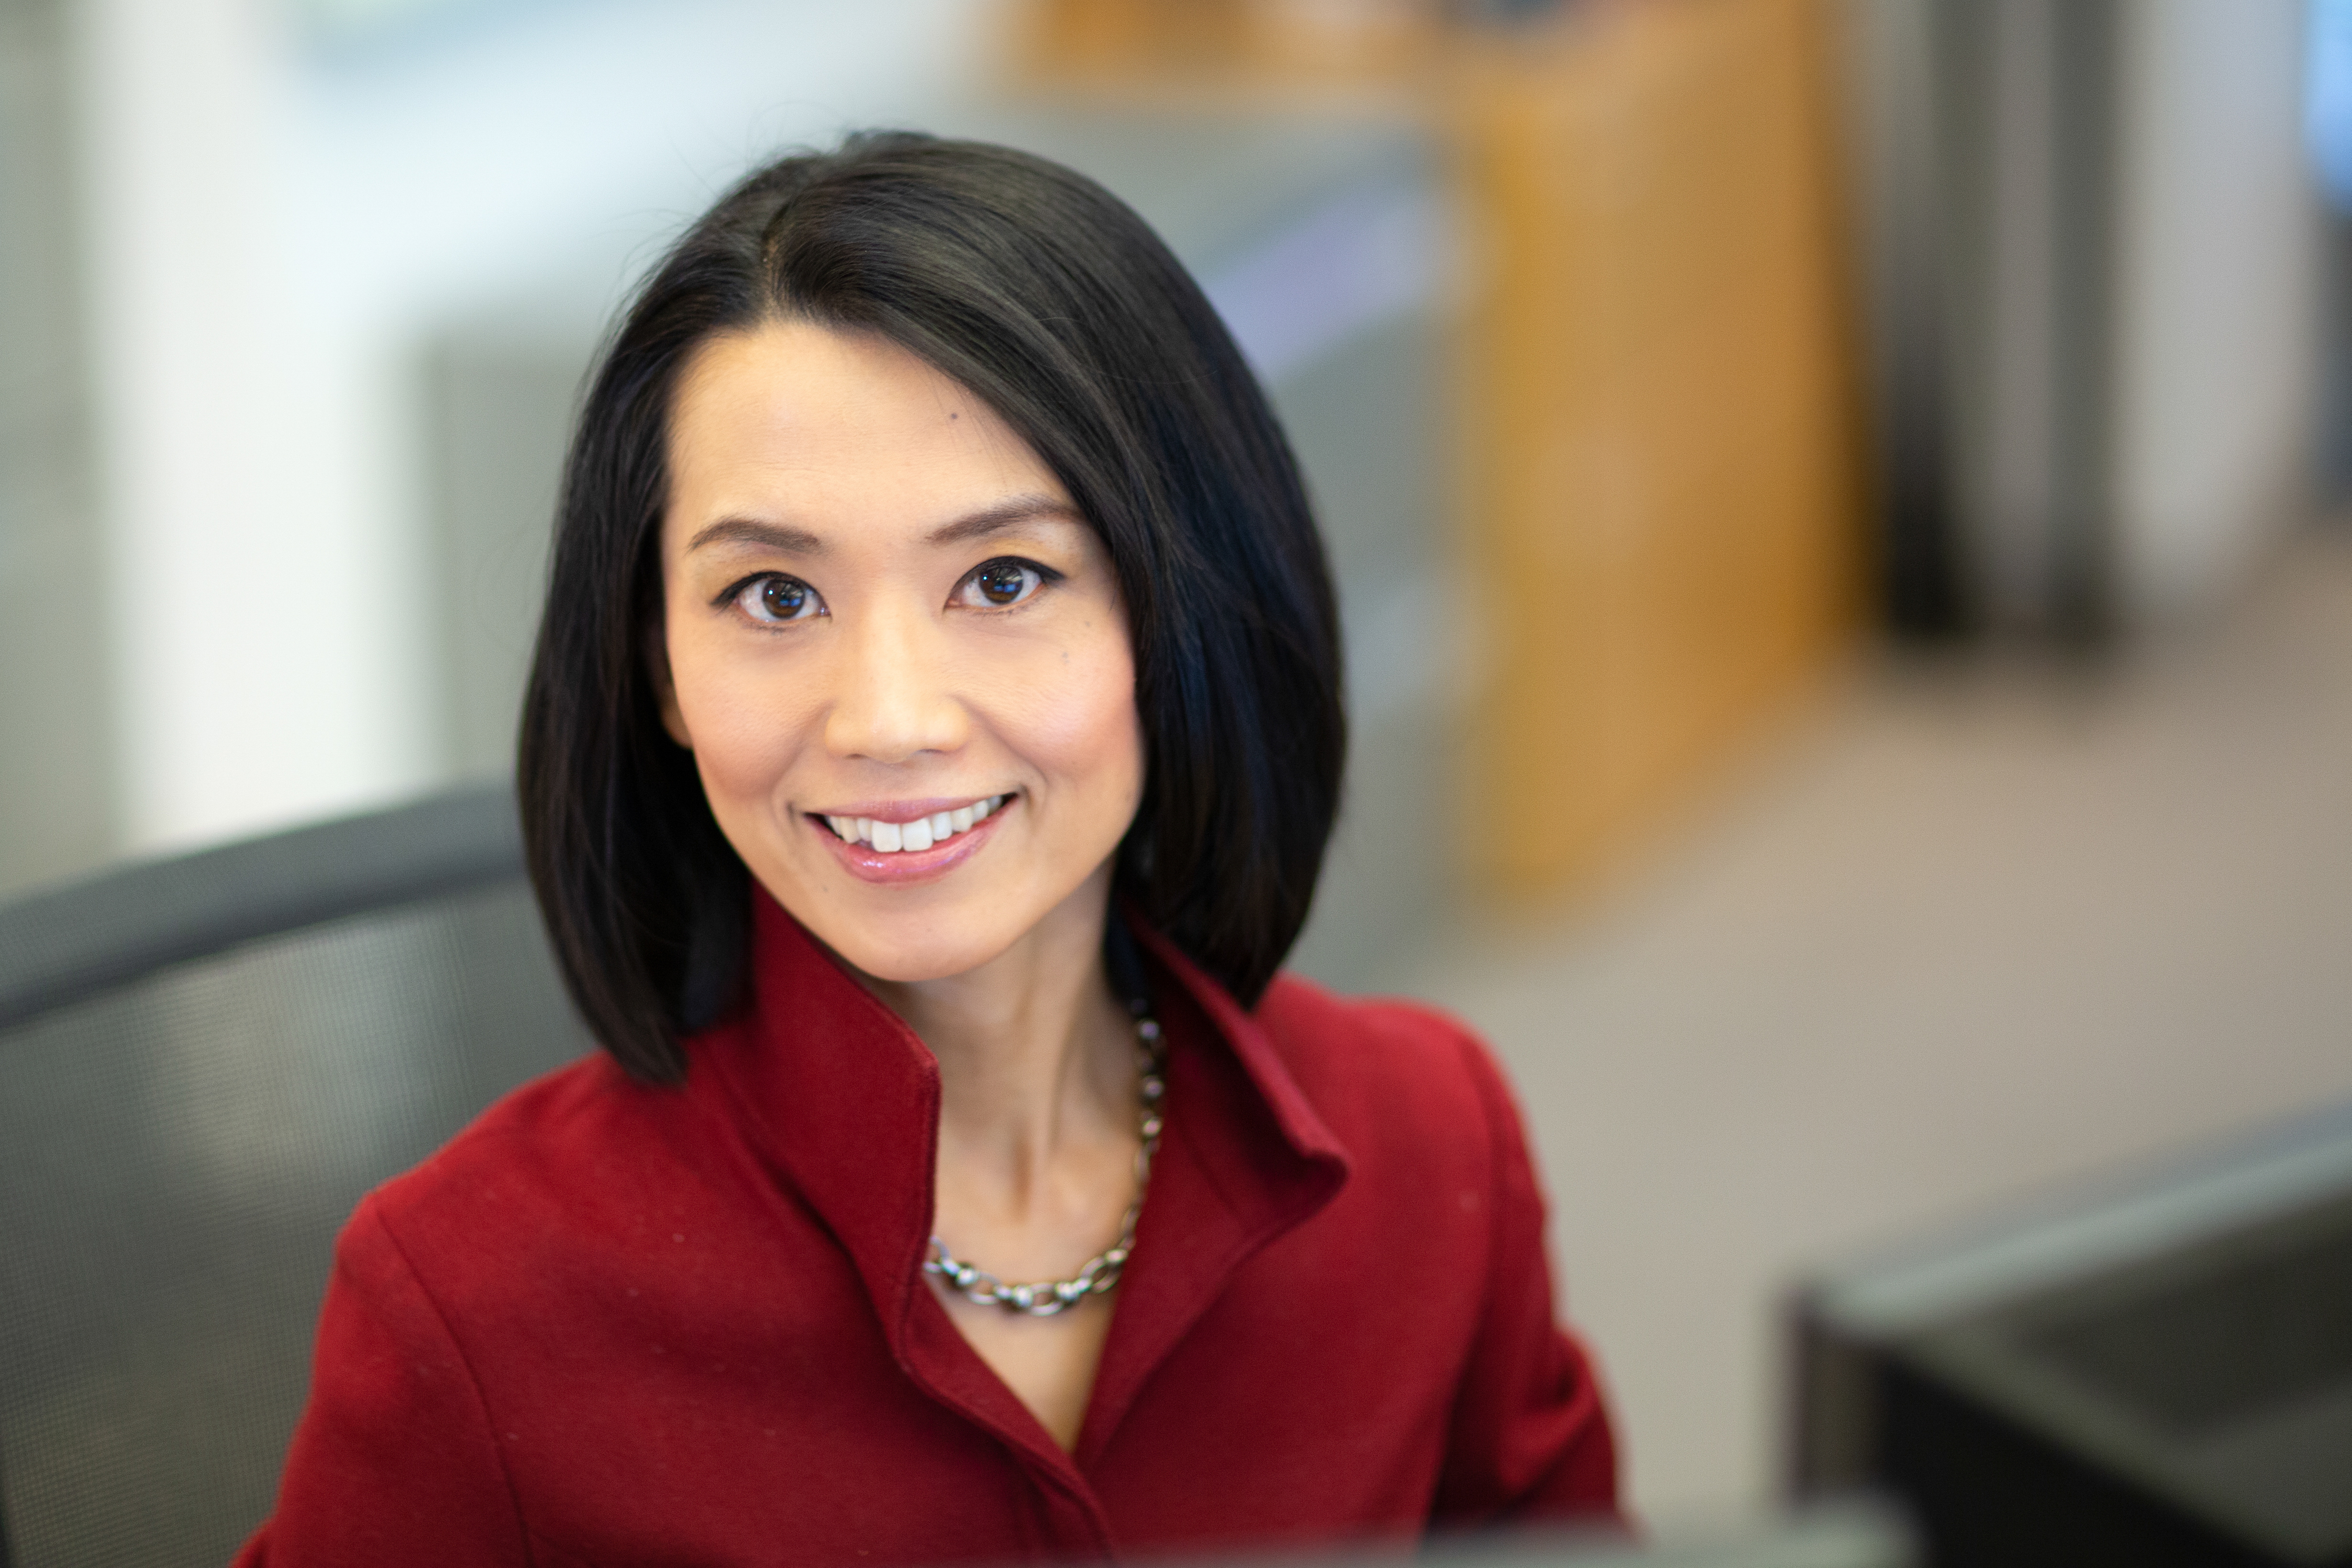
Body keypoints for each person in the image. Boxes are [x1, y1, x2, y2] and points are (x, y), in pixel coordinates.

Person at [237, 131, 1618, 1566]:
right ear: (656, 667)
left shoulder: (1430, 1149)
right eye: (773, 595)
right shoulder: (475, 1304)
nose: (889, 718)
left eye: (1004, 579)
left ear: (1173, 613)